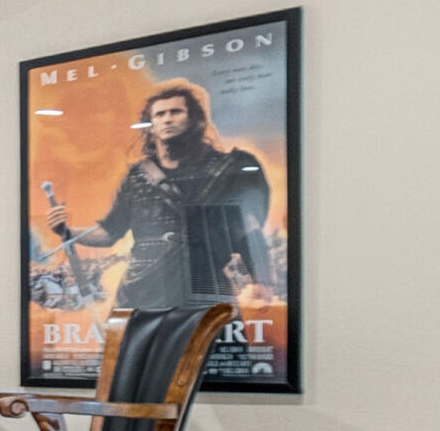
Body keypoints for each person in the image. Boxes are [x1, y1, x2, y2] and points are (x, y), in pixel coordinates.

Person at [45, 79, 272, 310]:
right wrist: (67, 231)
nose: (167, 119)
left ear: (194, 119)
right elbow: (108, 233)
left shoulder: (227, 169)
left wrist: (261, 280)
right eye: (160, 114)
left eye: (176, 112)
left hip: (203, 289)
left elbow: (248, 230)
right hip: (140, 292)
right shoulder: (136, 177)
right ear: (151, 124)